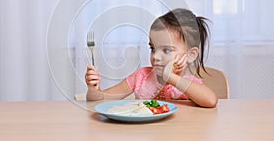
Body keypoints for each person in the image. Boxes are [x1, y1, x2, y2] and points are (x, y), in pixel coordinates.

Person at [85, 8, 218, 108]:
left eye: (166, 50)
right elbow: (100, 99)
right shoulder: (141, 77)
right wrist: (93, 89)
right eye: (153, 48)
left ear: (190, 55)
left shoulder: (187, 82)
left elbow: (211, 101)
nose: (156, 56)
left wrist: (170, 77)